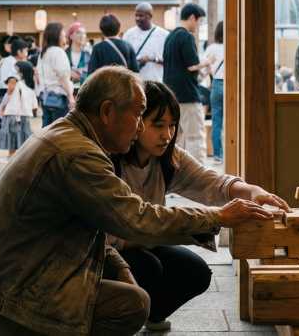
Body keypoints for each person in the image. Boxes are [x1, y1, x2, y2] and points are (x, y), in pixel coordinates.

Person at [0, 67, 274, 336]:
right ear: (108, 111)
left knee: (145, 290)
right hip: (6, 297)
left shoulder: (71, 137)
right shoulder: (80, 155)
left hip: (9, 280)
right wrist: (218, 217)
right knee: (130, 305)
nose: (144, 127)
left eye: (170, 125)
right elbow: (136, 218)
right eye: (141, 115)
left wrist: (244, 191)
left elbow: (207, 181)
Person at [111, 81, 288, 331]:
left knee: (196, 272)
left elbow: (212, 182)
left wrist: (252, 191)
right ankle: (125, 316)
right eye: (158, 125)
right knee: (148, 267)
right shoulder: (109, 162)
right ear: (137, 123)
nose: (167, 134)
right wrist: (208, 220)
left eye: (172, 125)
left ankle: (151, 314)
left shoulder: (167, 158)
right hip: (107, 252)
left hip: (144, 242)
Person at [163, 4, 212, 163]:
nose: (198, 25)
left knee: (177, 138)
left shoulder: (170, 37)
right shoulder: (186, 36)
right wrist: (207, 62)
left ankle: (176, 171)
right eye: (199, 21)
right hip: (188, 96)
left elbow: (181, 68)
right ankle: (198, 176)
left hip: (172, 95)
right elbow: (191, 65)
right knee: (195, 137)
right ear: (192, 18)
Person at [37, 22, 76, 127]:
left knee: (47, 131)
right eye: (63, 35)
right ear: (56, 36)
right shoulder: (59, 52)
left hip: (45, 97)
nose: (65, 38)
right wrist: (71, 97)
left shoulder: (43, 53)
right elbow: (63, 77)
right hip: (59, 97)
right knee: (60, 131)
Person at [0, 61, 37, 157]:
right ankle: (22, 155)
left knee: (12, 135)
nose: (14, 71)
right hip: (25, 113)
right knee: (24, 135)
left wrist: (2, 107)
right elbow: (34, 104)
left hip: (13, 113)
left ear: (21, 72)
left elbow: (8, 94)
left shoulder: (14, 81)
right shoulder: (30, 84)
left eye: (16, 70)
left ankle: (11, 155)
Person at [123, 2, 170, 82]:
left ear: (150, 16)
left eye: (141, 16)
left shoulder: (164, 35)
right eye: (136, 15)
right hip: (135, 83)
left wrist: (152, 59)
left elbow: (170, 61)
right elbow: (124, 60)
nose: (137, 18)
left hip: (156, 82)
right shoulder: (129, 34)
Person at [0, 37, 28, 136]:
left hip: (2, 88)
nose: (26, 53)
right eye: (25, 51)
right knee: (5, 112)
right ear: (19, 52)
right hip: (4, 89)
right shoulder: (11, 62)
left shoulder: (7, 60)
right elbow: (8, 80)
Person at [202, 21, 225, 164]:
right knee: (235, 121)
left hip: (216, 84)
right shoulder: (236, 46)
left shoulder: (212, 48)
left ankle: (218, 156)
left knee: (217, 121)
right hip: (233, 86)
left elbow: (204, 69)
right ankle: (232, 151)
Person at [66, 21, 92, 87]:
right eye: (78, 33)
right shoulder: (64, 54)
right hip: (66, 92)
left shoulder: (88, 54)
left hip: (84, 90)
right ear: (71, 36)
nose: (82, 36)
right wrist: (69, 73)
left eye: (84, 33)